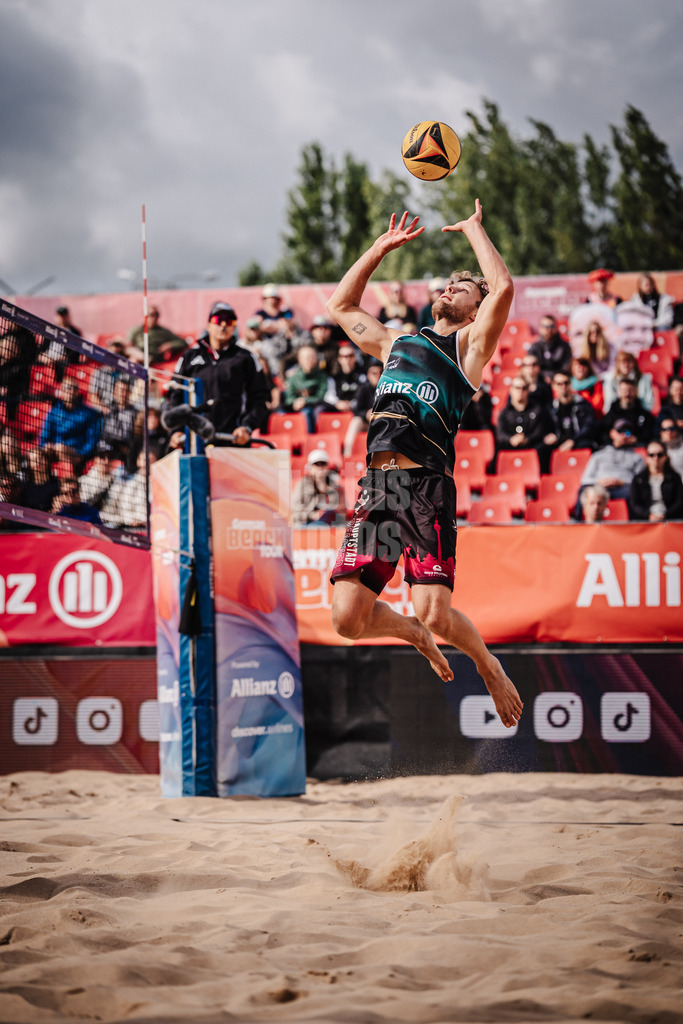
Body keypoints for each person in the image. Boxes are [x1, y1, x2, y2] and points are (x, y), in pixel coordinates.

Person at [325, 203, 523, 729]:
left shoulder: (468, 349)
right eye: (447, 286)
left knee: (437, 611)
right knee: (347, 620)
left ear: (476, 311)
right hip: (380, 489)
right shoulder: (397, 341)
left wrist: (476, 230)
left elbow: (503, 290)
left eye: (462, 290)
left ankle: (488, 664)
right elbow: (341, 306)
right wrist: (378, 250)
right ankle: (409, 633)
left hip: (425, 487)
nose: (448, 290)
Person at [162, 301, 268, 446]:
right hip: (192, 441)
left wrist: (246, 427)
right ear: (209, 325)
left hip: (232, 440)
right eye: (218, 320)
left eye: (229, 321)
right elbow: (174, 395)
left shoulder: (245, 358)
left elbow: (259, 398)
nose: (223, 325)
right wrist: (175, 431)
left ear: (234, 326)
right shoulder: (189, 357)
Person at [38, 377, 102, 466]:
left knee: (60, 448)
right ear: (62, 391)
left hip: (77, 455)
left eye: (74, 388)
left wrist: (81, 454)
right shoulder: (54, 412)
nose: (71, 391)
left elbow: (91, 440)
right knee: (36, 454)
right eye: (68, 388)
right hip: (54, 452)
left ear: (77, 391)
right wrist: (45, 446)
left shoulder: (89, 413)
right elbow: (45, 435)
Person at [542, 370, 598, 471]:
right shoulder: (550, 408)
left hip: (578, 440)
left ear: (571, 384)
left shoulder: (583, 405)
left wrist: (573, 441)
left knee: (586, 445)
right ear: (554, 386)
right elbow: (544, 427)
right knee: (543, 448)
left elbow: (589, 427)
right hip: (559, 441)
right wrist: (548, 436)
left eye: (566, 383)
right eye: (559, 384)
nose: (563, 386)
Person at [579, 420, 645, 501]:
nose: (623, 435)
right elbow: (585, 479)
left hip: (624, 488)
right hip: (600, 488)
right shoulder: (599, 455)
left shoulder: (637, 457)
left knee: (635, 493)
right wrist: (599, 482)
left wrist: (623, 482)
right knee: (584, 492)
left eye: (627, 433)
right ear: (612, 433)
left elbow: (641, 481)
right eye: (620, 431)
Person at [496, 376, 553, 458]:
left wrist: (527, 439)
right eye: (517, 388)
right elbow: (501, 434)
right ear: (511, 390)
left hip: (532, 447)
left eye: (524, 388)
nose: (520, 391)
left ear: (528, 390)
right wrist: (511, 439)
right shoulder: (504, 413)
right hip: (510, 447)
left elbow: (539, 431)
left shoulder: (537, 409)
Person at [628, 443, 683, 522]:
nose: (656, 458)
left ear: (666, 457)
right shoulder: (638, 479)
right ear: (647, 458)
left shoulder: (674, 478)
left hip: (670, 520)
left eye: (660, 455)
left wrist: (665, 515)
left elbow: (679, 502)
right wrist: (649, 515)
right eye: (651, 455)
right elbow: (634, 505)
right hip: (645, 522)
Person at [292, 450, 346, 527]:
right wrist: (312, 515)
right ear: (310, 467)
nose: (320, 467)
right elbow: (295, 512)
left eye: (323, 464)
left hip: (330, 525)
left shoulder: (336, 487)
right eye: (316, 464)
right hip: (306, 524)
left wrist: (325, 512)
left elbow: (342, 512)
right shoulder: (302, 486)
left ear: (327, 466)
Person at [282, 344, 328, 431]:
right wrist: (296, 402)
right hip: (295, 408)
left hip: (314, 409)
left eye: (312, 357)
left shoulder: (322, 377)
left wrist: (305, 401)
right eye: (306, 357)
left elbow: (321, 397)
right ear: (299, 360)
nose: (310, 360)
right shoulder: (293, 378)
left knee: (308, 413)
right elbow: (289, 399)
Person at [343, 360, 382, 457]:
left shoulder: (388, 389)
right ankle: (347, 456)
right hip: (366, 422)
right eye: (374, 373)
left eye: (381, 373)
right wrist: (366, 414)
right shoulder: (363, 389)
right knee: (356, 421)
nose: (377, 376)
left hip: (382, 422)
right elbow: (356, 410)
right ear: (368, 375)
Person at [601, 377, 656, 446]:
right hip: (613, 450)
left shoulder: (644, 415)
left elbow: (649, 433)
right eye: (624, 390)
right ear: (618, 392)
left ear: (636, 391)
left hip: (637, 450)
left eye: (630, 390)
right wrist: (613, 438)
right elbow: (602, 433)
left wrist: (636, 439)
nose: (627, 394)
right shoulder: (611, 414)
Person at [527, 314, 572, 380]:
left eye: (552, 326)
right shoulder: (534, 348)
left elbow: (566, 367)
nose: (549, 329)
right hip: (539, 380)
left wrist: (554, 378)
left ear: (556, 328)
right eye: (545, 326)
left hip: (560, 381)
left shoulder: (564, 346)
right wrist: (544, 377)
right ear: (540, 328)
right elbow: (531, 367)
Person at [323, 344, 366, 412]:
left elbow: (365, 395)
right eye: (344, 356)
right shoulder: (334, 376)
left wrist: (352, 404)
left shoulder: (363, 375)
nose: (348, 359)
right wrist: (337, 403)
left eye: (350, 356)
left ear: (355, 357)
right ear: (339, 359)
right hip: (338, 408)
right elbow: (328, 395)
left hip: (358, 409)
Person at [18, 448, 60, 512]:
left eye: (40, 458)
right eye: (34, 460)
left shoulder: (57, 485)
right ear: (30, 464)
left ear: (46, 461)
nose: (38, 462)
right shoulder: (25, 487)